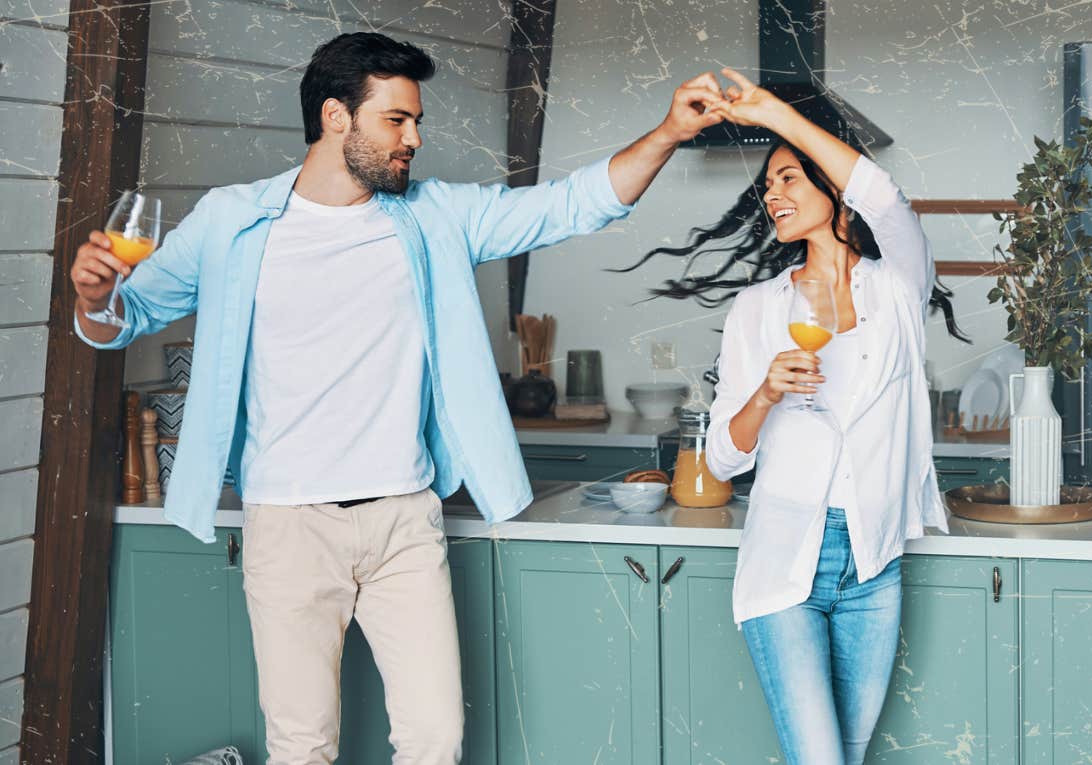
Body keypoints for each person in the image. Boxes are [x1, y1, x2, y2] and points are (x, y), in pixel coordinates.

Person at [69, 32, 724, 764]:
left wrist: (669, 132)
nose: (414, 138)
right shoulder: (234, 220)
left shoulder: (434, 214)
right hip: (288, 524)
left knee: (434, 738)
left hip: (404, 521)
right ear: (335, 117)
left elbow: (572, 206)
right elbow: (125, 318)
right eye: (397, 120)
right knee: (301, 742)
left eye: (416, 121)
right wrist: (96, 296)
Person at [633, 69, 966, 764]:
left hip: (874, 563)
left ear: (834, 194)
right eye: (768, 185)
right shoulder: (758, 307)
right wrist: (764, 393)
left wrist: (776, 114)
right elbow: (724, 460)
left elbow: (889, 200)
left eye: (788, 179)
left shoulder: (899, 290)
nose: (772, 195)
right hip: (787, 563)